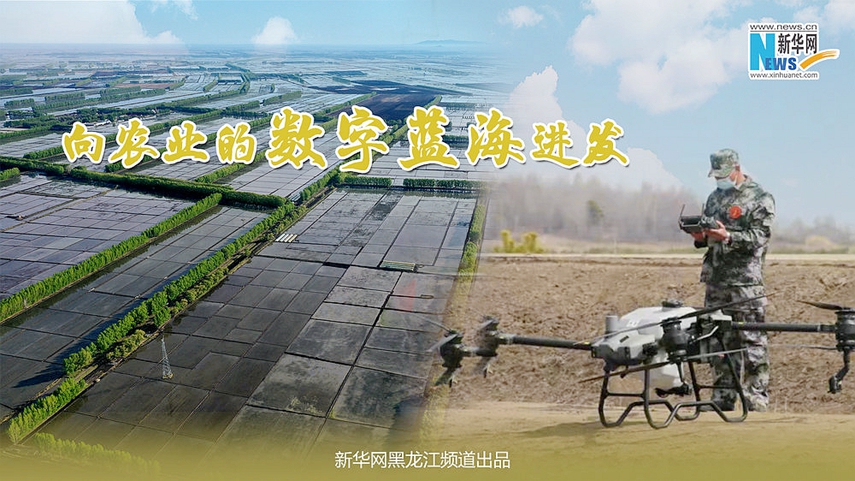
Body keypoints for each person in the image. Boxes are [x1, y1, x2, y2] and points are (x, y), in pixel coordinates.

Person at [688, 148, 775, 412]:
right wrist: (700, 237)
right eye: (715, 175)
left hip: (745, 284)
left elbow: (759, 237)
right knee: (718, 340)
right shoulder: (714, 198)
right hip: (716, 280)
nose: (719, 179)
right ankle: (723, 397)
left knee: (752, 341)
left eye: (723, 174)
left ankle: (755, 398)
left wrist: (728, 236)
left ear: (737, 168)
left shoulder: (759, 197)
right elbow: (708, 237)